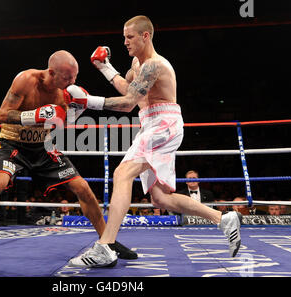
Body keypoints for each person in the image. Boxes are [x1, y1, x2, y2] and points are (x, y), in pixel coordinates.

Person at [65, 15, 242, 268]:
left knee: (122, 173)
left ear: (145, 36)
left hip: (163, 124)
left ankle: (105, 247)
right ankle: (223, 219)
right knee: (160, 198)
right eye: (124, 37)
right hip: (152, 123)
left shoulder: (154, 65)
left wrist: (89, 101)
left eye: (129, 37)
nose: (124, 42)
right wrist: (105, 67)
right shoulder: (137, 64)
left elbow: (127, 105)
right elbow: (130, 91)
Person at [0, 50, 136, 260]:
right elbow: (3, 114)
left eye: (75, 77)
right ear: (52, 72)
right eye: (68, 77)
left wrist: (76, 111)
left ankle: (108, 241)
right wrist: (33, 116)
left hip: (42, 146)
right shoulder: (25, 80)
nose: (72, 81)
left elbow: (68, 120)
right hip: (13, 142)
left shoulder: (67, 93)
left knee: (82, 187)